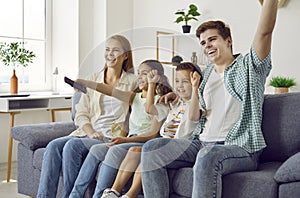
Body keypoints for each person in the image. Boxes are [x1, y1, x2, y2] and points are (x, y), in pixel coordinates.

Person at [141, 1, 278, 198]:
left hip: (239, 147)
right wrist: (175, 94)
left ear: (228, 41)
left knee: (207, 156)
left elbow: (265, 33)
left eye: (212, 39)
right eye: (203, 43)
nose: (207, 46)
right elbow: (194, 110)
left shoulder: (249, 67)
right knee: (152, 148)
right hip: (201, 142)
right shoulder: (204, 76)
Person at [37, 35, 137, 198]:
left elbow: (140, 105)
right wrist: (91, 132)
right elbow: (81, 113)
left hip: (110, 136)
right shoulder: (93, 78)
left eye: (116, 50)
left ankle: (69, 196)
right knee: (53, 146)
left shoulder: (133, 81)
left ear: (126, 55)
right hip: (89, 134)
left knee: (71, 147)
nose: (110, 54)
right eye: (107, 49)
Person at [69, 60, 172, 198]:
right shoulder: (134, 97)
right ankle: (75, 196)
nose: (140, 77)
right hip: (129, 139)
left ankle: (101, 195)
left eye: (145, 74)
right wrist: (86, 83)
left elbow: (152, 135)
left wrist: (124, 140)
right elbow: (109, 90)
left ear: (155, 77)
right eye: (138, 73)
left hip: (143, 142)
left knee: (115, 150)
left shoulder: (160, 101)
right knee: (95, 150)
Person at [99, 62, 203, 198]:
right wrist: (152, 84)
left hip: (181, 148)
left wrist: (195, 88)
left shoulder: (197, 104)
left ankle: (130, 195)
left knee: (149, 152)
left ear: (195, 82)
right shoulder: (173, 103)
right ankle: (113, 192)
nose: (180, 86)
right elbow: (150, 109)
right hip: (164, 145)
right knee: (134, 150)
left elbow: (193, 117)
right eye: (177, 81)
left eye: (185, 82)